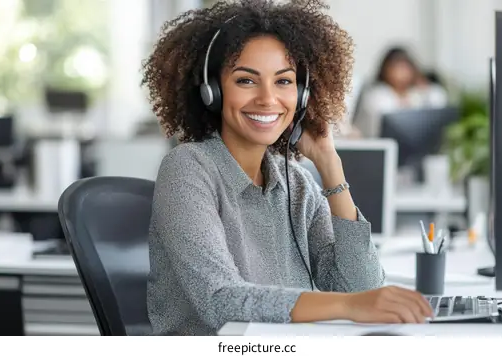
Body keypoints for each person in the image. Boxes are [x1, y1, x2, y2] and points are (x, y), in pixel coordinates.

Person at [142, 0, 433, 336]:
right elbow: (219, 300)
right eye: (246, 81)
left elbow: (360, 285)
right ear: (213, 92)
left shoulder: (296, 183)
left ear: (303, 95)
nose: (268, 99)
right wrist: (348, 306)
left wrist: (329, 163)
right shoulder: (188, 169)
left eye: (283, 81)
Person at [352, 46, 449, 138]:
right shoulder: (377, 95)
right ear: (385, 70)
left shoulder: (420, 93)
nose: (401, 73)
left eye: (405, 67)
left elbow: (438, 102)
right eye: (396, 67)